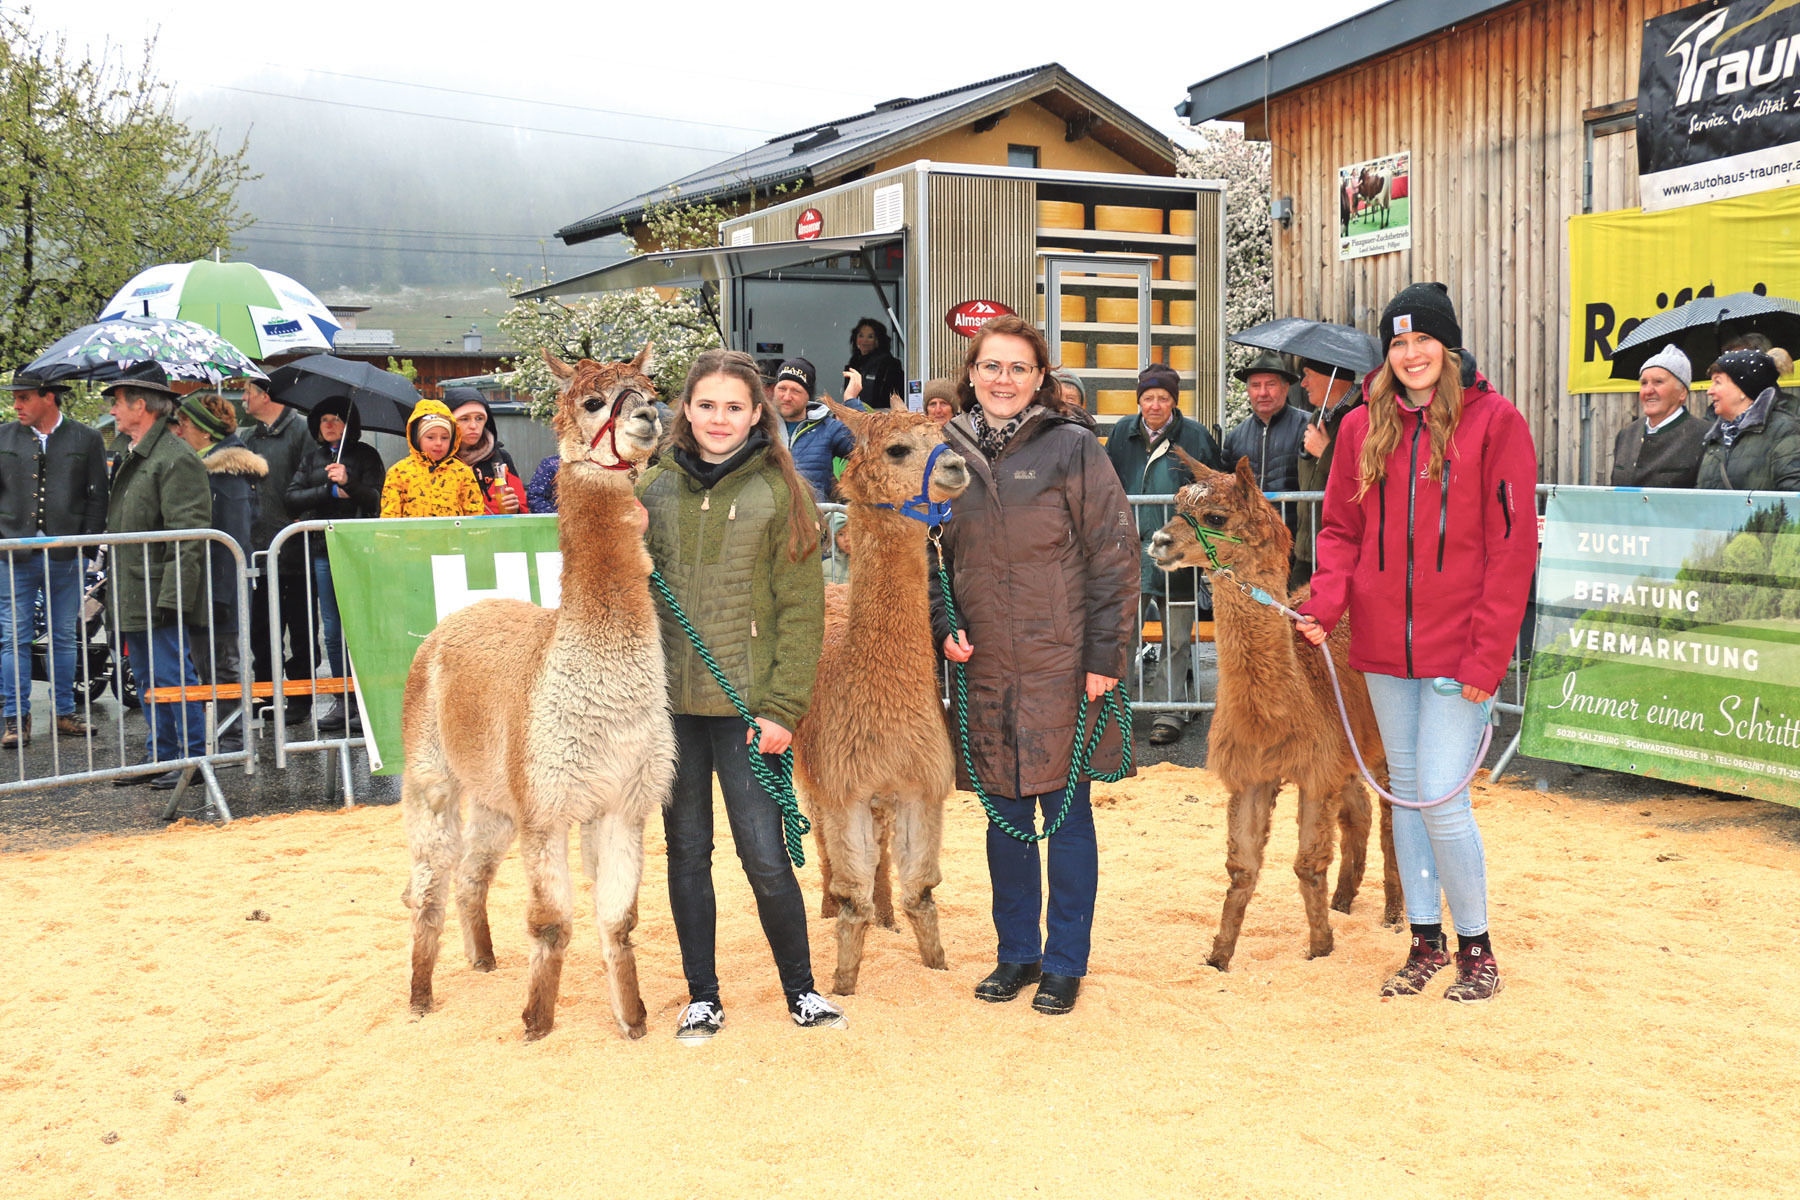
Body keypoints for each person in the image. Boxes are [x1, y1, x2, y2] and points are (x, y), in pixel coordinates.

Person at [1295, 282, 1537, 1003]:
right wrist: (1327, 599)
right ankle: (1425, 942)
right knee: (1407, 796)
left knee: (1441, 800)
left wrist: (1487, 656)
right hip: (1381, 652)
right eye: (1397, 344)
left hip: (1459, 651)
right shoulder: (1361, 427)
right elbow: (1340, 531)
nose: (1410, 355)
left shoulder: (1496, 423)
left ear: (1449, 347)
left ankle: (1478, 950)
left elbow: (1512, 549)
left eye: (1422, 341)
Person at [930, 314, 1138, 1016]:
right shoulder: (943, 452)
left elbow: (1114, 553)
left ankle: (1064, 961)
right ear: (972, 374)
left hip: (1062, 657)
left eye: (1019, 368)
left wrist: (1106, 655)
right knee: (1004, 814)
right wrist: (943, 623)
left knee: (1067, 812)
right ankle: (1015, 952)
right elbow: (924, 556)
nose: (1004, 380)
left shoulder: (1072, 448)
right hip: (985, 660)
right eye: (992, 366)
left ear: (1040, 379)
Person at [636, 348, 846, 1041]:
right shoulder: (650, 488)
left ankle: (802, 989)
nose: (718, 419)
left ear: (756, 414)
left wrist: (783, 708)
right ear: (685, 411)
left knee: (764, 852)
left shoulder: (780, 492)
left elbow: (800, 608)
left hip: (747, 708)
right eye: (706, 406)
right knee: (687, 850)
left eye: (733, 407)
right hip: (670, 708)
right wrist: (618, 535)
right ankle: (703, 994)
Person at [1104, 362, 1223, 746]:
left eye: (1163, 398)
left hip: (1178, 558)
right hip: (1131, 553)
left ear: (1174, 401)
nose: (1155, 405)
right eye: (1148, 397)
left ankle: (1168, 711)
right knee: (1124, 635)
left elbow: (1213, 490)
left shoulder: (1196, 436)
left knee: (1175, 638)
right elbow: (1108, 482)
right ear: (1139, 400)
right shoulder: (1123, 433)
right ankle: (1115, 708)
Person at [103, 376, 212, 788]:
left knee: (171, 675)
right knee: (148, 677)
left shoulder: (174, 457)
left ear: (141, 406)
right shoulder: (136, 453)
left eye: (118, 402)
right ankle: (160, 755)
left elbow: (188, 535)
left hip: (158, 591)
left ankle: (190, 758)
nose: (113, 410)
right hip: (135, 588)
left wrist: (175, 597)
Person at [0, 374, 108, 749]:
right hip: (13, 553)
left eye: (25, 397)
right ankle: (15, 718)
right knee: (13, 638)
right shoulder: (3, 436)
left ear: (49, 397)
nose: (17, 405)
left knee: (64, 636)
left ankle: (64, 712)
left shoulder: (86, 437)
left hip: (67, 554)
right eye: (15, 398)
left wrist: (87, 546)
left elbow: (98, 497)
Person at [168, 392, 267, 754]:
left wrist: (224, 596)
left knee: (224, 667)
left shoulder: (226, 477)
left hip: (220, 589)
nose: (180, 431)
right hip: (209, 587)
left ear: (206, 434)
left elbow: (232, 539)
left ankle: (234, 740)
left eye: (186, 425)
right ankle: (228, 737)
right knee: (210, 665)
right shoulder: (208, 467)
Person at [285, 398, 383, 733]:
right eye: (323, 419)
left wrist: (350, 483)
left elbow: (377, 498)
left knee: (360, 624)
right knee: (332, 629)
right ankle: (344, 698)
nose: (329, 425)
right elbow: (291, 498)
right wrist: (329, 490)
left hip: (358, 550)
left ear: (350, 424)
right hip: (322, 550)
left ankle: (367, 697)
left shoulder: (366, 455)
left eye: (337, 419)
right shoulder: (312, 457)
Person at [240, 377, 318, 726]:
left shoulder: (302, 430)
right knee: (260, 628)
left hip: (295, 547)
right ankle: (266, 692)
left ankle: (301, 696)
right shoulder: (248, 436)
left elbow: (312, 481)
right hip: (257, 548)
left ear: (265, 394)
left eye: (247, 392)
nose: (242, 398)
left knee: (300, 627)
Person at [1294, 358, 1368, 586]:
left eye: (1309, 374)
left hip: (1343, 556)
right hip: (1307, 553)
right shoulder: (1319, 417)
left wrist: (1326, 452)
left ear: (1332, 375)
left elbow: (1367, 476)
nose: (1303, 383)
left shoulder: (1366, 416)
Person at [1696, 350, 1800, 491]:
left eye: (1718, 382)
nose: (1709, 391)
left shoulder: (1785, 431)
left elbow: (1791, 503)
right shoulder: (1714, 438)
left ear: (1743, 390)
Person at [1222, 350, 1309, 508]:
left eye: (1271, 384)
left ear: (1285, 388)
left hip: (1292, 529)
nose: (1262, 393)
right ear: (1248, 390)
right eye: (1256, 386)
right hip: (1249, 531)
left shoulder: (1308, 428)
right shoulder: (1235, 437)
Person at [1610, 345, 1705, 488]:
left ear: (1682, 393)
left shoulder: (1704, 436)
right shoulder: (1626, 435)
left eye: (1658, 382)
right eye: (1644, 383)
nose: (1648, 391)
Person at [771, 357, 857, 502]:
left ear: (808, 396)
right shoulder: (759, 425)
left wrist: (851, 400)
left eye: (796, 391)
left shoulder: (828, 428)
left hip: (815, 519)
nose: (786, 397)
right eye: (782, 388)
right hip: (770, 520)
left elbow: (870, 449)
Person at [381, 398, 485, 518]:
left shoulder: (462, 473)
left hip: (452, 536)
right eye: (430, 437)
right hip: (412, 536)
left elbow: (475, 515)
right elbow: (389, 517)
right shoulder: (398, 472)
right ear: (417, 439)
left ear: (452, 440)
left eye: (445, 438)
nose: (439, 443)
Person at [445, 387, 527, 513]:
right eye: (464, 419)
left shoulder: (500, 458)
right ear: (449, 422)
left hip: (495, 531)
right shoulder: (438, 461)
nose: (473, 426)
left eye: (479, 418)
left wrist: (516, 509)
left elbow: (523, 512)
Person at [843, 318, 905, 411]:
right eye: (861, 335)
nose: (865, 340)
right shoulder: (852, 365)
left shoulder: (889, 365)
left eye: (870, 336)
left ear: (878, 340)